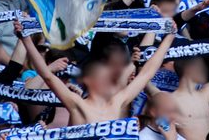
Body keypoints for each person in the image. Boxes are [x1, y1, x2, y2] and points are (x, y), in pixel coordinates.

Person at [17, 19, 176, 124]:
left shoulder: (118, 101)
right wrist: (25, 40)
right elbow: (47, 76)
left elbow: (147, 72)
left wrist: (169, 37)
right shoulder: (76, 103)